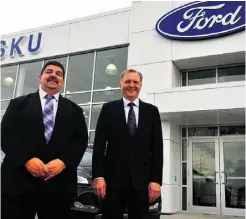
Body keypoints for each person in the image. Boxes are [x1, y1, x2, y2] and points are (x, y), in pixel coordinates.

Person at [1, 61, 88, 219]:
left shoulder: (75, 111)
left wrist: (63, 162)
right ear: (40, 77)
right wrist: (26, 159)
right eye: (49, 72)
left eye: (58, 74)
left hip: (59, 186)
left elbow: (80, 141)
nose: (54, 75)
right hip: (19, 183)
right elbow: (6, 135)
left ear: (63, 81)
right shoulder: (18, 105)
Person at [92, 68, 163, 219]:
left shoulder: (152, 112)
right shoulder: (108, 109)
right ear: (121, 84)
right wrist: (98, 176)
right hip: (112, 182)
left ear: (140, 85)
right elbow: (98, 145)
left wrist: (156, 180)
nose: (131, 85)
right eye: (127, 81)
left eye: (135, 82)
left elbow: (157, 149)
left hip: (141, 182)